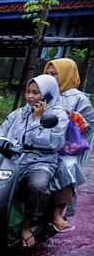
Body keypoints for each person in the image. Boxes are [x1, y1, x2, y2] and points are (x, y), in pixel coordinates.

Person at [0, 75, 68, 247]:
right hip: (14, 159)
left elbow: (54, 143)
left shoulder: (58, 116)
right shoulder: (19, 113)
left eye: (36, 92)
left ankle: (28, 225)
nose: (30, 96)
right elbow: (1, 133)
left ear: (48, 94)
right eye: (28, 91)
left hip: (40, 162)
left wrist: (38, 119)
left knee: (36, 185)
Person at [44, 58, 93, 231]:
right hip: (41, 141)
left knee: (68, 167)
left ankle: (58, 211)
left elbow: (90, 125)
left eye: (54, 74)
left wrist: (73, 116)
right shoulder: (44, 92)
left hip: (66, 148)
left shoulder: (79, 98)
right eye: (47, 74)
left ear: (66, 74)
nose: (50, 77)